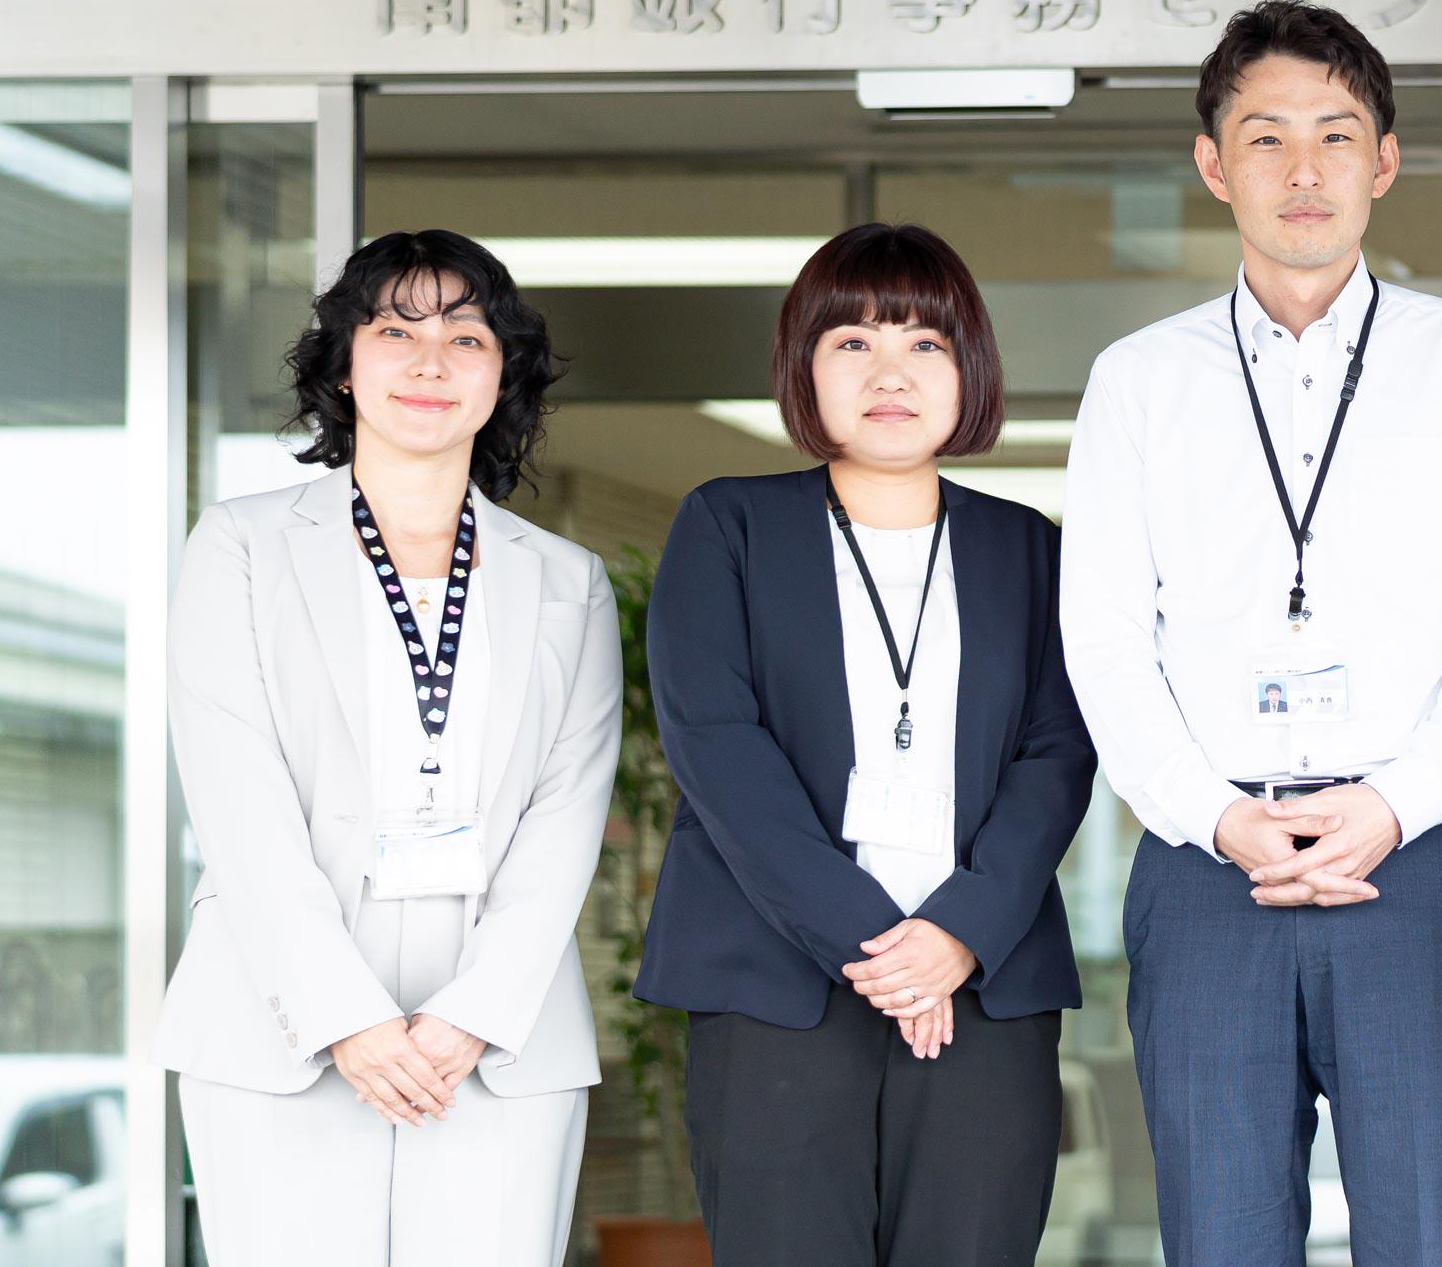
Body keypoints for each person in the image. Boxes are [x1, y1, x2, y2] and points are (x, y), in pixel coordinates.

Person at [1059, 0, 1442, 1267]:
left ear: (1383, 162)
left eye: (1335, 135)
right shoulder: (1140, 380)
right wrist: (1214, 815)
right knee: (1219, 1240)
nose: (1303, 170)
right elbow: (1103, 639)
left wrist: (1392, 804)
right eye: (1265, 138)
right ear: (1212, 164)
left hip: (1412, 865)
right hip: (1208, 867)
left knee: (1426, 1238)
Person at [155, 230, 622, 1267]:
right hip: (281, 1034)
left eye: (466, 338)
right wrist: (343, 1018)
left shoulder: (566, 581)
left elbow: (567, 814)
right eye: (395, 331)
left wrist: (472, 1018)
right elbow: (236, 797)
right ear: (342, 366)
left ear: (502, 378)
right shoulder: (242, 545)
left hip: (496, 1048)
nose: (429, 362)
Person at [640, 223, 1095, 1267]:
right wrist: (881, 951)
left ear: (968, 368)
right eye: (853, 342)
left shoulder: (1029, 548)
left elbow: (1057, 754)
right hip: (776, 991)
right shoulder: (728, 527)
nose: (890, 374)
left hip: (983, 989)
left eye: (924, 344)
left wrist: (957, 935)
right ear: (803, 366)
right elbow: (719, 749)